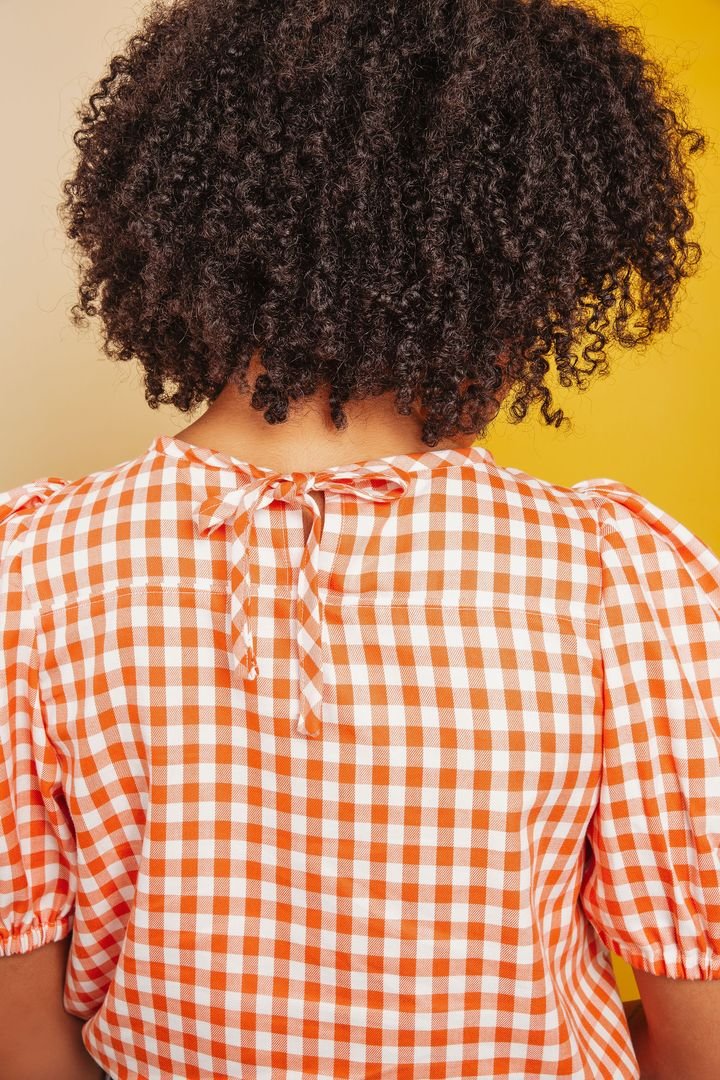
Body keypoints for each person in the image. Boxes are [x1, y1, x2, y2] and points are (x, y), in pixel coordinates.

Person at [1, 0, 718, 1077]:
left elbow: (24, 1041)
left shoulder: (30, 574)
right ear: (507, 260)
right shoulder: (620, 582)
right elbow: (698, 1037)